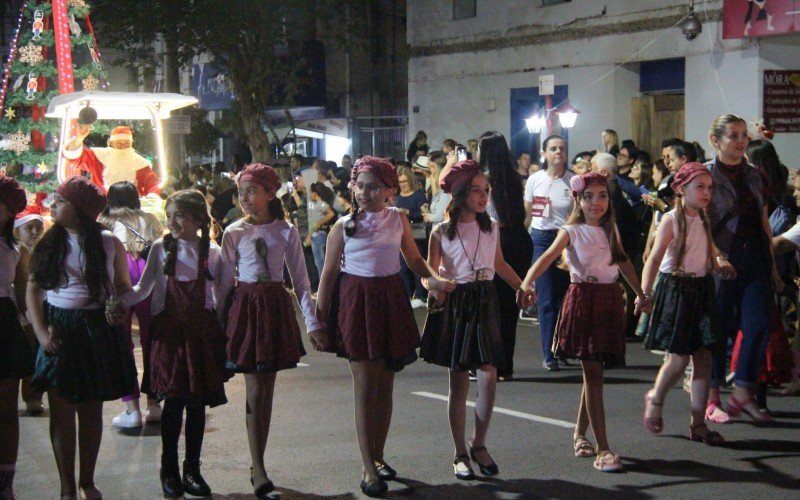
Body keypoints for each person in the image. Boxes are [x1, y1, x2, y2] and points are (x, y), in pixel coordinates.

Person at [314, 156, 454, 497]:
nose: (365, 192)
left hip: (390, 299)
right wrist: (317, 321)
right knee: (364, 387)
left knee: (385, 384)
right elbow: (328, 277)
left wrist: (433, 281)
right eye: (360, 185)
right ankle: (367, 467)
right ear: (352, 186)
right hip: (356, 302)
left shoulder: (398, 219)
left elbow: (414, 259)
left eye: (373, 186)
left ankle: (377, 456)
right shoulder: (341, 227)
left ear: (389, 190)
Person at [520, 172, 648, 473]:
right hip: (583, 299)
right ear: (577, 199)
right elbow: (548, 257)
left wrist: (640, 293)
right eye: (589, 196)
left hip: (608, 299)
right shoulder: (571, 230)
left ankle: (579, 434)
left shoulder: (609, 228)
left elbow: (624, 262)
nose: (596, 202)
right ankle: (603, 448)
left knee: (595, 372)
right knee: (593, 373)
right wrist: (527, 283)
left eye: (602, 195)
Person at [26, 176, 138, 500]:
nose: (52, 205)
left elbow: (122, 286)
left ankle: (87, 482)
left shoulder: (108, 242)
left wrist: (120, 309)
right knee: (61, 412)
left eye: (60, 202)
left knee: (91, 410)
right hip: (59, 327)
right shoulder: (50, 241)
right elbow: (34, 289)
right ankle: (66, 488)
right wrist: (41, 333)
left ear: (78, 210)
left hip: (95, 328)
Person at [218, 164, 324, 497]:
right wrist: (217, 324)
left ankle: (258, 460)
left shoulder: (286, 231)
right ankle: (258, 465)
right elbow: (222, 285)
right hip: (247, 308)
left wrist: (313, 323)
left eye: (251, 191)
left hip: (275, 308)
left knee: (267, 390)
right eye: (241, 192)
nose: (245, 198)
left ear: (268, 193)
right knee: (255, 390)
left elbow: (301, 281)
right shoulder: (233, 232)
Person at [420, 159, 527, 480]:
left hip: (486, 300)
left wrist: (522, 285)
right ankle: (460, 453)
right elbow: (427, 274)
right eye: (476, 190)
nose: (483, 196)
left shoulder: (491, 227)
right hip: (458, 302)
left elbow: (500, 264)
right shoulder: (439, 232)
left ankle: (479, 443)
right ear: (461, 192)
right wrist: (434, 283)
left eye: (486, 190)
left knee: (489, 375)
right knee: (458, 380)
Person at [120, 190, 227, 498]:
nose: (172, 221)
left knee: (197, 406)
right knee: (173, 405)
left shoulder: (214, 252)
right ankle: (168, 469)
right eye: (169, 216)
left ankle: (192, 469)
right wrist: (118, 300)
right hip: (169, 335)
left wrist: (222, 333)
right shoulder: (160, 247)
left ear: (197, 218)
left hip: (200, 335)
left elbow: (220, 297)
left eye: (178, 215)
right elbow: (143, 288)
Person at [641, 163, 735, 446]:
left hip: (701, 287)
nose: (707, 193)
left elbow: (710, 248)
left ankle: (698, 423)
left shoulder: (704, 216)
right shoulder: (671, 219)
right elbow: (655, 259)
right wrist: (644, 292)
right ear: (681, 190)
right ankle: (656, 397)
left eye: (709, 187)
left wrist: (719, 261)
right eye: (700, 187)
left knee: (703, 357)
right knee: (679, 359)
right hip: (677, 288)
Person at [705, 113, 779, 424]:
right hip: (721, 262)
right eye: (733, 136)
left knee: (759, 323)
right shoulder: (704, 175)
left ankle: (744, 389)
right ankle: (712, 398)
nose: (740, 141)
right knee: (717, 331)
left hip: (755, 259)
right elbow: (699, 225)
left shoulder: (755, 175)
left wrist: (773, 267)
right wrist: (716, 255)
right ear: (716, 141)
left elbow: (764, 223)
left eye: (743, 136)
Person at [98, 181, 164, 429]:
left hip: (119, 273)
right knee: (151, 340)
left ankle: (132, 408)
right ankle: (154, 403)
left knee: (122, 340)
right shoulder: (149, 219)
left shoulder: (104, 221)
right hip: (147, 274)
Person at [478, 132, 533, 381]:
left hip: (496, 242)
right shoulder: (513, 177)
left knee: (490, 306)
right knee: (510, 305)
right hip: (519, 241)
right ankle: (505, 365)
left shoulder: (483, 180)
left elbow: (486, 217)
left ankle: (489, 361)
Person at [523, 135, 574, 371]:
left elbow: (578, 213)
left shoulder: (573, 181)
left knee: (565, 298)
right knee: (546, 298)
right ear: (544, 153)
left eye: (562, 148)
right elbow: (528, 214)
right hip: (541, 239)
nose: (558, 152)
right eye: (553, 148)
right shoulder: (535, 180)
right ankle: (548, 354)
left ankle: (562, 348)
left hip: (565, 239)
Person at [0, 175, 35, 500]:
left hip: (6, 323)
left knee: (8, 408)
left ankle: (6, 482)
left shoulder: (16, 247)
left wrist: (36, 331)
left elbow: (24, 294)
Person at [12, 202, 46, 416]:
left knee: (34, 352)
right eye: (28, 228)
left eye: (38, 227)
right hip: (16, 310)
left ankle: (33, 396)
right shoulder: (15, 250)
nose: (34, 232)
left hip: (35, 311)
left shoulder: (45, 252)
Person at [64, 124, 161, 197]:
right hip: (101, 210)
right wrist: (80, 138)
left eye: (126, 143)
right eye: (118, 143)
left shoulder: (140, 164)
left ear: (132, 143)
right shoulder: (99, 157)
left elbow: (154, 186)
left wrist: (151, 199)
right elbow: (74, 156)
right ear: (111, 143)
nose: (123, 147)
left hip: (132, 213)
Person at [394, 166, 429, 307]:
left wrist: (407, 212)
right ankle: (407, 295)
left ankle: (420, 296)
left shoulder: (419, 195)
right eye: (400, 181)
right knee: (402, 267)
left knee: (416, 265)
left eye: (405, 181)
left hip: (416, 236)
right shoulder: (397, 197)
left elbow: (424, 215)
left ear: (411, 181)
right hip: (400, 235)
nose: (403, 184)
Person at [308, 182, 337, 278]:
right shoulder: (316, 204)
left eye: (311, 192)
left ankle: (324, 286)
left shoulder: (321, 204)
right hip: (315, 236)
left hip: (318, 236)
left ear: (315, 193)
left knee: (320, 262)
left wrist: (319, 223)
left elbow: (331, 213)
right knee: (319, 262)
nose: (310, 194)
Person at [423, 151, 451, 227]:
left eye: (430, 168)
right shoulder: (439, 190)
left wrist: (428, 216)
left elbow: (439, 217)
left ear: (434, 167)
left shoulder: (445, 191)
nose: (430, 173)